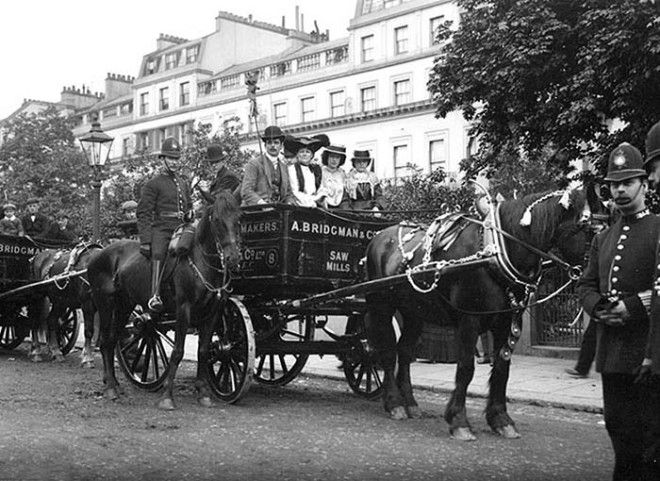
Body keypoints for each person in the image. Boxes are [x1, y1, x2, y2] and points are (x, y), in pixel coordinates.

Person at [577, 142, 660, 480]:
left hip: (647, 354)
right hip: (612, 355)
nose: (620, 190)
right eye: (614, 184)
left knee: (649, 442)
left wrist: (634, 307)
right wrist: (598, 307)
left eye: (628, 182)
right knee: (619, 433)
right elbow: (585, 285)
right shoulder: (604, 238)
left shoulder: (657, 228)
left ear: (643, 183)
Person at [137, 137, 192, 312]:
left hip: (181, 227)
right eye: (171, 158)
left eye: (176, 158)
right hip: (162, 228)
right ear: (163, 159)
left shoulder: (183, 182)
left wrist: (190, 213)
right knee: (159, 253)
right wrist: (146, 240)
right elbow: (143, 212)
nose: (174, 162)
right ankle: (155, 295)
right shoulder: (153, 184)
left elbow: (188, 205)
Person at [241, 125, 294, 206]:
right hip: (257, 211)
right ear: (265, 146)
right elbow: (246, 191)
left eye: (276, 142)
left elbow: (288, 193)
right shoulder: (254, 164)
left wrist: (289, 203)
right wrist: (262, 204)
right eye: (269, 142)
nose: (273, 145)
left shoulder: (284, 167)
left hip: (279, 210)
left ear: (281, 146)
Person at [284, 135, 327, 208]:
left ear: (311, 155)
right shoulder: (292, 169)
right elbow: (295, 192)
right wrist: (312, 201)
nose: (304, 154)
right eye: (301, 152)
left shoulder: (316, 169)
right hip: (301, 204)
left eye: (307, 152)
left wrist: (320, 197)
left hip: (316, 204)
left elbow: (321, 187)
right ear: (297, 154)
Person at [317, 144, 348, 209]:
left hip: (340, 208)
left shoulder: (342, 174)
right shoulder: (320, 172)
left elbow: (345, 196)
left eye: (337, 158)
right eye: (332, 157)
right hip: (322, 207)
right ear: (327, 157)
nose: (334, 160)